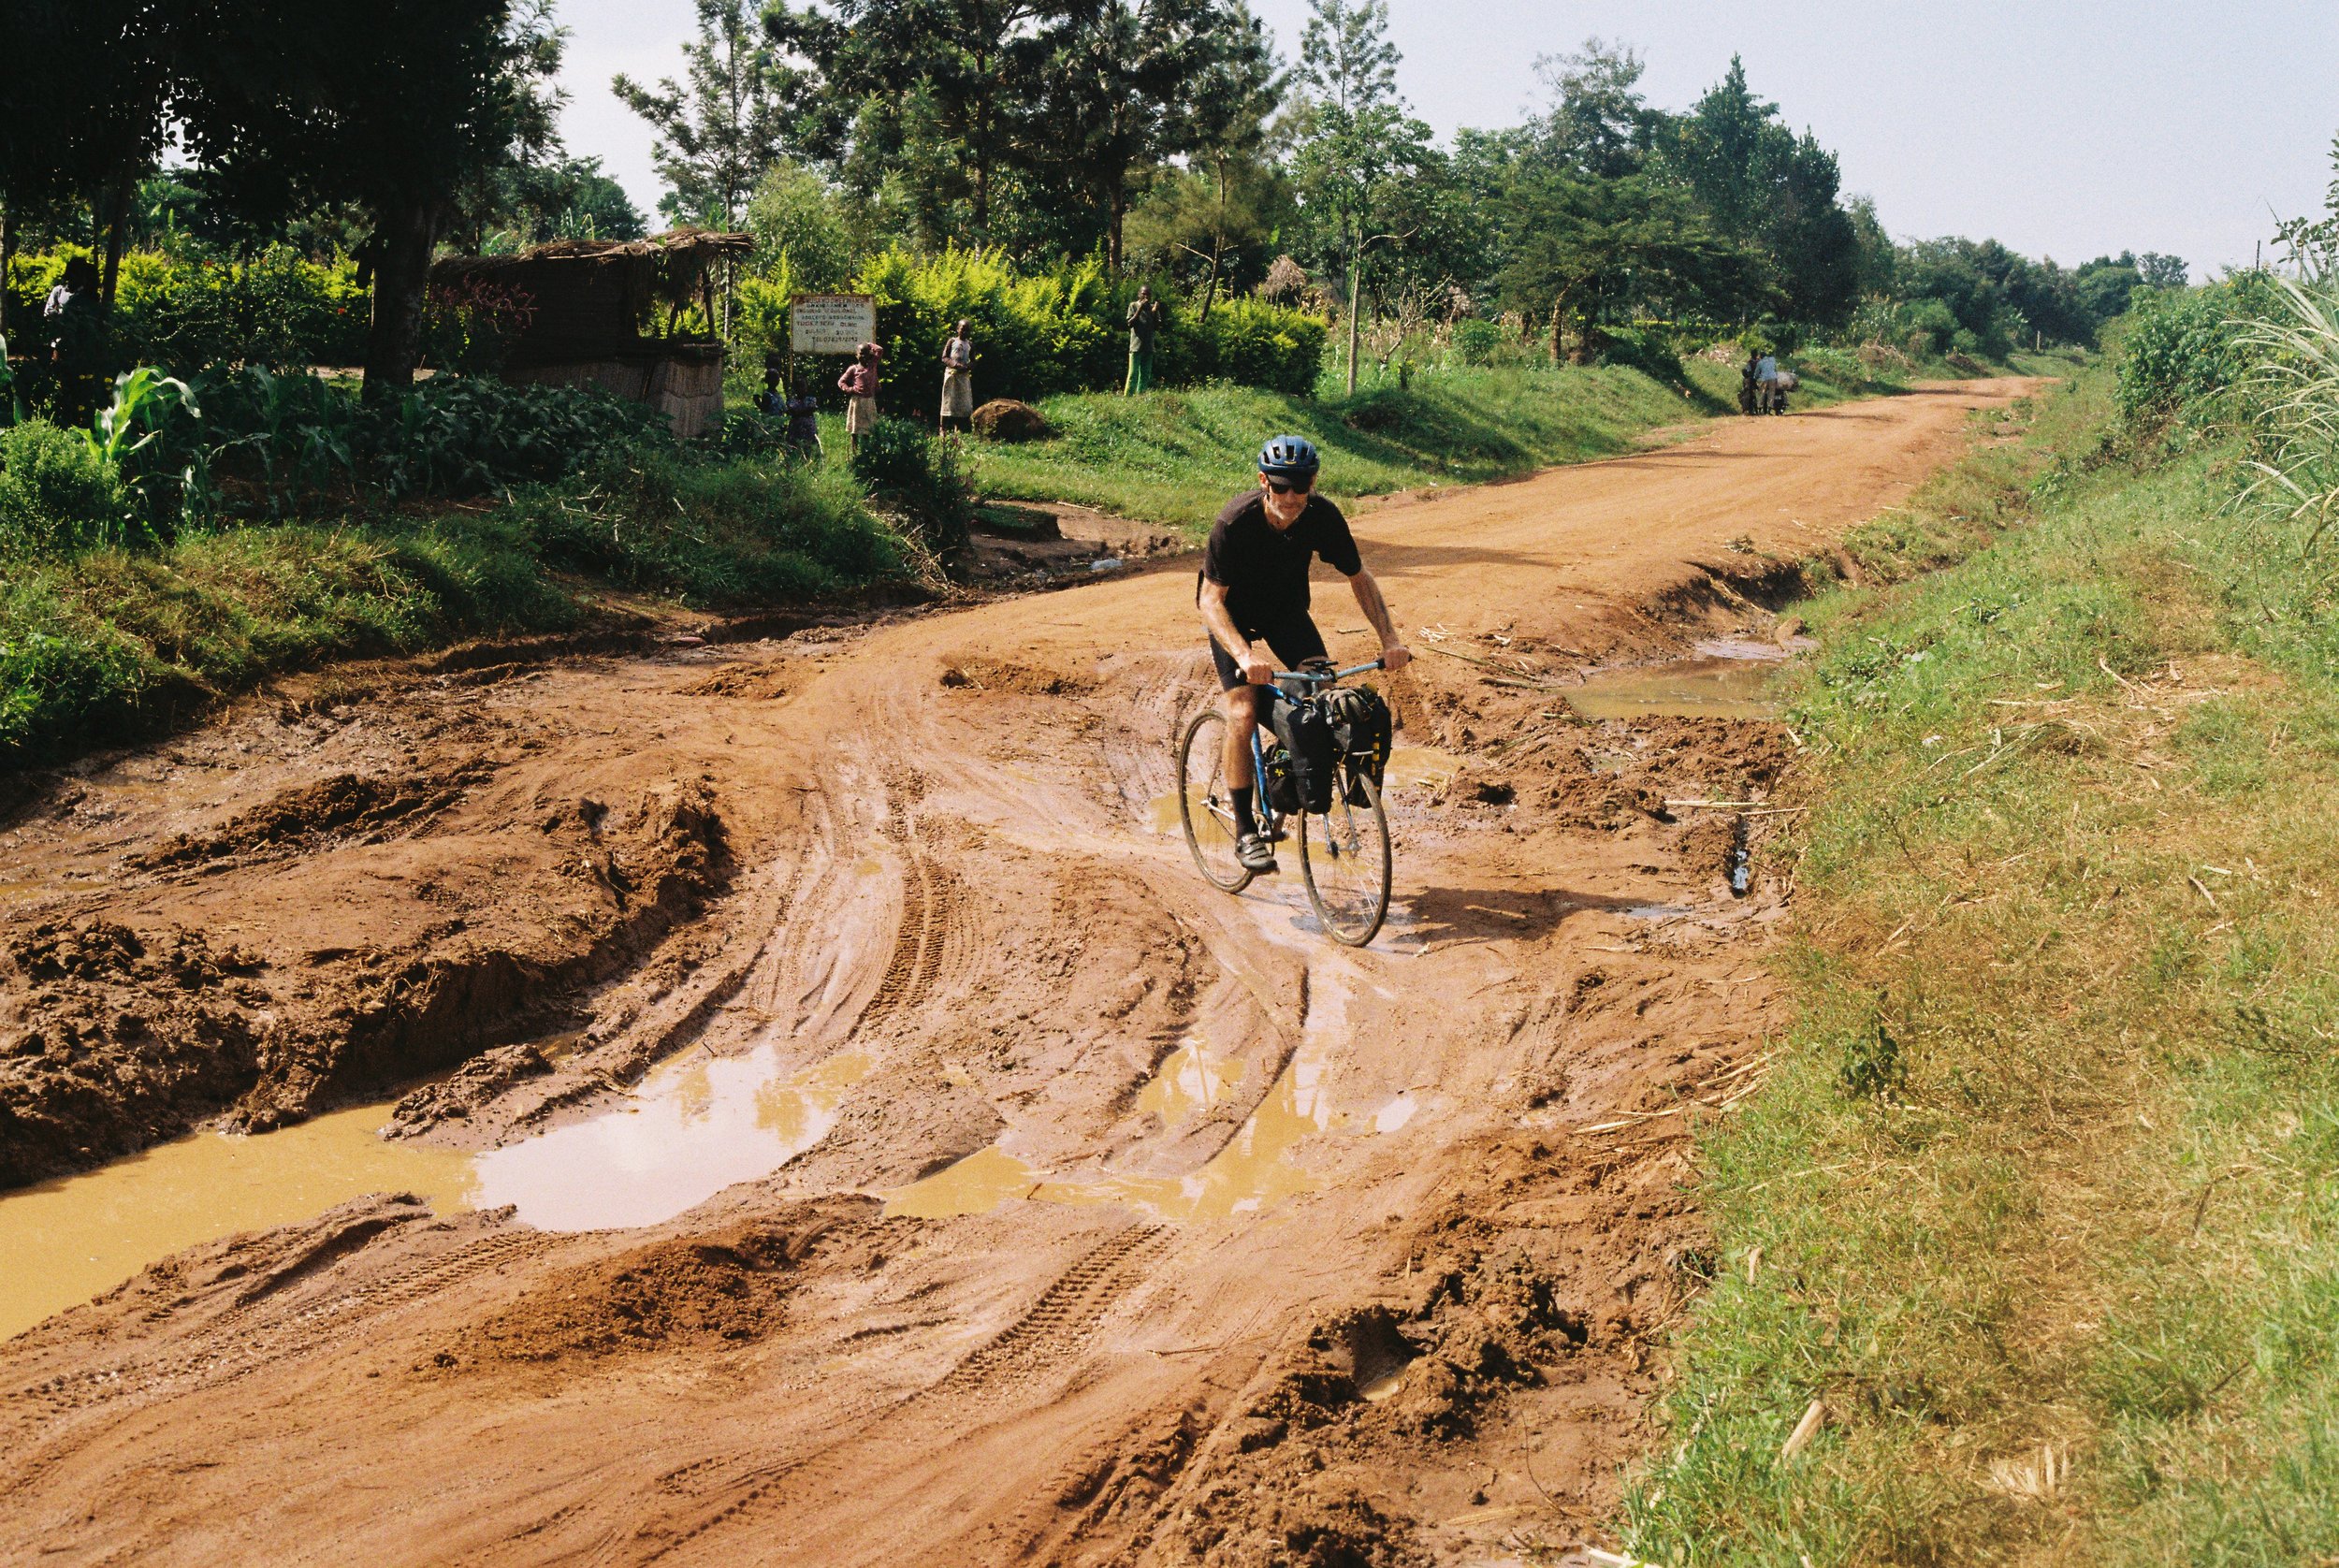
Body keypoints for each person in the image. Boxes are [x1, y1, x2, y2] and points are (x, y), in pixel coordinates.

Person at [1197, 435, 1412, 874]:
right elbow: (1210, 601)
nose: (1291, 497)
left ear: (1313, 483)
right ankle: (1244, 832)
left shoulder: (1323, 517)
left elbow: (1360, 577)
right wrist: (1243, 655)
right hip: (1233, 616)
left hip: (1285, 613)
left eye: (1301, 486)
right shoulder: (1234, 522)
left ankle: (1282, 767)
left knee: (1324, 695)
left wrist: (1390, 639)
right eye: (1280, 487)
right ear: (1263, 482)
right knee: (1242, 711)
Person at [42, 256, 103, 426]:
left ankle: (77, 415)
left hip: (80, 346)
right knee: (60, 380)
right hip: (59, 342)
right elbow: (49, 312)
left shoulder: (85, 296)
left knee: (80, 383)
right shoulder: (59, 291)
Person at [838, 341, 882, 457]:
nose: (863, 356)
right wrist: (850, 389)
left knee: (867, 430)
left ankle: (865, 453)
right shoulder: (853, 369)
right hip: (857, 402)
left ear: (870, 355)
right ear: (856, 355)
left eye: (866, 353)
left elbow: (880, 350)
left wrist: (868, 344)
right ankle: (855, 453)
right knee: (855, 430)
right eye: (861, 353)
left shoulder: (872, 365)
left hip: (869, 401)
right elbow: (841, 382)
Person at [1125, 285, 1164, 395]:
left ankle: (1141, 396)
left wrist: (1155, 312)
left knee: (1145, 374)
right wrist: (1140, 308)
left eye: (1148, 294)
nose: (1146, 296)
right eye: (1144, 294)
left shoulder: (1153, 308)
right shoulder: (1133, 305)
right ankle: (1128, 396)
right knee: (1133, 374)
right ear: (1139, 294)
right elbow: (1130, 323)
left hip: (1149, 347)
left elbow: (1157, 327)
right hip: (1136, 346)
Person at [939, 319, 975, 433]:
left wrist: (967, 366)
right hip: (951, 375)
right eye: (962, 329)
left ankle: (957, 428)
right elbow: (944, 357)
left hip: (963, 376)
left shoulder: (970, 344)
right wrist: (955, 365)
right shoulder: (952, 341)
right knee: (948, 401)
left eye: (967, 330)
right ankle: (942, 428)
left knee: (962, 402)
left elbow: (974, 361)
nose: (964, 332)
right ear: (957, 329)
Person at [1755, 350, 1780, 414]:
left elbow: (1756, 374)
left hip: (1764, 378)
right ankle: (1769, 409)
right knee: (1772, 393)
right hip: (1773, 377)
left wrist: (1755, 377)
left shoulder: (1760, 363)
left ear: (1761, 357)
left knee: (1762, 393)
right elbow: (1775, 369)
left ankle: (1760, 409)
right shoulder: (1772, 359)